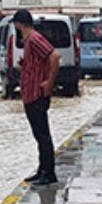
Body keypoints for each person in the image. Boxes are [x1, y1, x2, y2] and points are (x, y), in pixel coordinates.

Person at [12, 10, 61, 186]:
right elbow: (38, 63)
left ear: (18, 24)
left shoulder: (34, 39)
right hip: (30, 93)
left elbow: (54, 56)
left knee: (42, 135)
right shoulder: (28, 42)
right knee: (39, 135)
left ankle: (48, 173)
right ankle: (42, 170)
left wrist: (49, 82)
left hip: (37, 94)